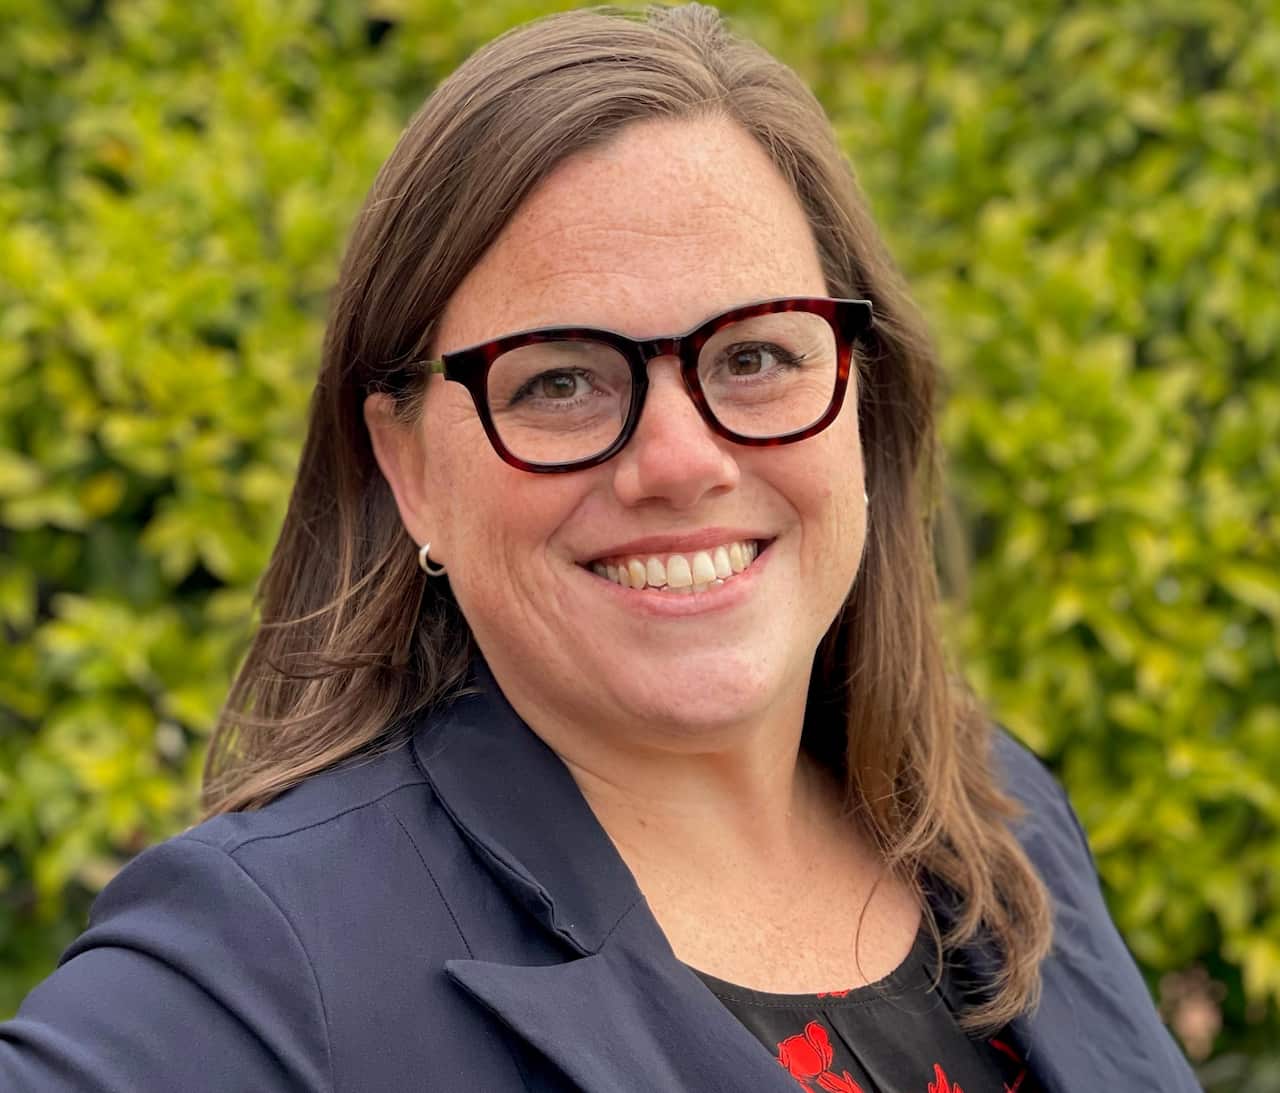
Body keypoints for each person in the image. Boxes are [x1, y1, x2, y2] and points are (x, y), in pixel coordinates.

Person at [0, 5, 1200, 1091]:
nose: (680, 461)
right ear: (410, 469)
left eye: (754, 357)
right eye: (561, 380)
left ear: (857, 400)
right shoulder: (264, 963)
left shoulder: (997, 816)